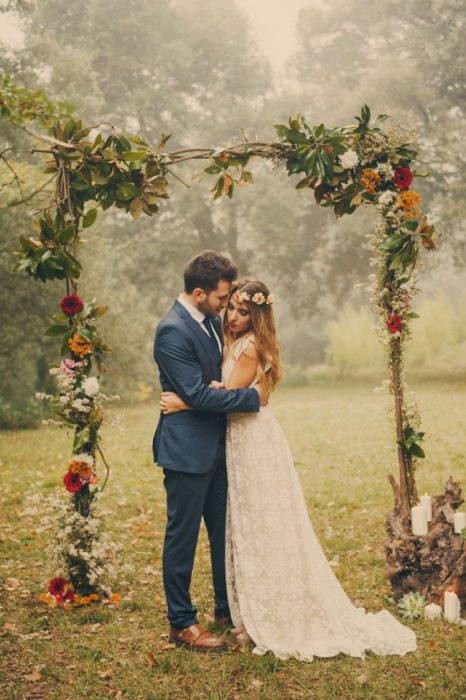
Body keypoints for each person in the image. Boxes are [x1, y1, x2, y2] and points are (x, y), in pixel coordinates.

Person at [160, 278, 417, 661]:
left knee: (261, 523)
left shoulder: (249, 346)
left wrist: (184, 403)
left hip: (249, 438)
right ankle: (236, 605)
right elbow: (227, 392)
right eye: (230, 307)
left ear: (258, 315)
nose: (232, 316)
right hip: (233, 442)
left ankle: (262, 607)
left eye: (243, 311)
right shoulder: (223, 335)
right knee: (240, 525)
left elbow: (231, 398)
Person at [153, 252, 267, 653]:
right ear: (199, 293)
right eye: (222, 298)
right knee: (181, 538)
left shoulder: (209, 323)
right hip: (186, 451)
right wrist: (252, 398)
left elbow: (203, 389)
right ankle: (181, 623)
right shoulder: (172, 331)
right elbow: (199, 392)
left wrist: (193, 400)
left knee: (225, 534)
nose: (226, 305)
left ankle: (226, 607)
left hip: (219, 447)